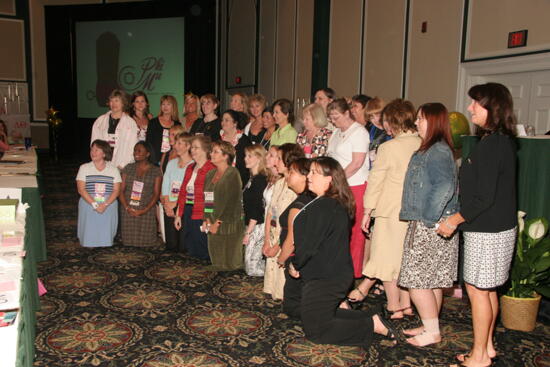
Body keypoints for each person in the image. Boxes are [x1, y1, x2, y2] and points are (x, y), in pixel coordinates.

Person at [438, 83, 517, 367]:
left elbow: (484, 197)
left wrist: (453, 221)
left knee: (477, 291)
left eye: (476, 103)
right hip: (495, 228)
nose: (469, 107)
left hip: (487, 230)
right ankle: (488, 347)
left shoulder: (494, 144)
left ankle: (480, 355)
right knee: (487, 290)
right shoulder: (497, 140)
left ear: (492, 108)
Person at [288, 156, 399, 349]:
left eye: (314, 172)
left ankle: (370, 324)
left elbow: (310, 244)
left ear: (329, 179)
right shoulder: (331, 203)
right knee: (312, 315)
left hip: (327, 277)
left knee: (316, 331)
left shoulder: (325, 206)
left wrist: (295, 263)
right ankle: (369, 315)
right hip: (327, 274)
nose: (309, 176)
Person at [349, 99, 421, 318]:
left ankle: (394, 306)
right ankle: (406, 305)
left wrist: (367, 211)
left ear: (392, 121)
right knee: (403, 260)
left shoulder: (389, 147)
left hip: (390, 210)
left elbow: (376, 181)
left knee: (385, 260)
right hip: (414, 211)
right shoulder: (422, 143)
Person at [397, 103, 459, 346]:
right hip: (432, 222)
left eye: (420, 119)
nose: (416, 123)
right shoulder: (433, 149)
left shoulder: (437, 151)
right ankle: (429, 325)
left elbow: (445, 186)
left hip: (429, 224)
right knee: (430, 280)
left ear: (433, 122)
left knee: (416, 280)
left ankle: (432, 332)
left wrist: (429, 219)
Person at [326, 98, 370, 278]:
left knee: (354, 231)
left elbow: (357, 162)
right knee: (338, 229)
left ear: (347, 113)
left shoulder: (359, 132)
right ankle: (338, 266)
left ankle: (354, 272)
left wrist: (338, 179)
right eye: (331, 117)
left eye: (336, 116)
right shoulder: (336, 132)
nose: (333, 121)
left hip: (355, 186)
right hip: (337, 186)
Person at [263, 143, 304, 300]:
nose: (275, 163)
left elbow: (292, 226)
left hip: (285, 239)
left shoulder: (295, 188)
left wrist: (278, 246)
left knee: (284, 290)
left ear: (289, 161)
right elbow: (270, 213)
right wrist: (266, 240)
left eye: (279, 159)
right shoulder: (279, 183)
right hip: (273, 235)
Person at [277, 158, 315, 318]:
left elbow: (292, 240)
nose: (287, 175)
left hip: (297, 260)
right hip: (301, 260)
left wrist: (282, 257)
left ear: (304, 176)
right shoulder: (305, 198)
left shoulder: (302, 203)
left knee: (294, 306)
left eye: (292, 172)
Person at [203, 141, 245, 271]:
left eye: (216, 152)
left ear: (226, 156)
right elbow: (207, 199)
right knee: (217, 263)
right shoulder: (210, 174)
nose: (211, 154)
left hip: (228, 222)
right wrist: (207, 219)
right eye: (211, 151)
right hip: (213, 220)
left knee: (231, 265)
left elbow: (232, 202)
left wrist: (218, 223)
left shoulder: (233, 174)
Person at [174, 135, 216, 259]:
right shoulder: (190, 167)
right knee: (191, 244)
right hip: (188, 209)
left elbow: (211, 196)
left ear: (205, 150)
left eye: (196, 148)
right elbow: (182, 192)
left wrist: (208, 217)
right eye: (192, 147)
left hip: (202, 211)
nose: (192, 150)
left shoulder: (211, 168)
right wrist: (178, 214)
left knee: (203, 245)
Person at [76, 140, 121, 247]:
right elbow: (81, 189)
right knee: (89, 225)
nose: (93, 152)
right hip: (89, 201)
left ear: (104, 153)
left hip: (108, 202)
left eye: (96, 150)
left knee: (109, 212)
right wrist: (95, 204)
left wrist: (105, 204)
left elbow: (116, 190)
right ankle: (88, 242)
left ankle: (105, 241)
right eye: (92, 149)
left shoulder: (113, 169)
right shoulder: (84, 168)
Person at [118, 142, 162, 247]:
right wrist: (127, 207)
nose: (135, 153)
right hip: (128, 207)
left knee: (147, 242)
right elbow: (121, 190)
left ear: (147, 154)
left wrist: (144, 210)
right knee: (128, 243)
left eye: (139, 151)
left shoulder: (155, 171)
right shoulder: (128, 168)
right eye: (134, 150)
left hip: (146, 208)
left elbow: (156, 194)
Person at [161, 132, 194, 252]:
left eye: (180, 143)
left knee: (183, 244)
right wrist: (166, 203)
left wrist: (176, 204)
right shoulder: (171, 163)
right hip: (169, 203)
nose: (176, 146)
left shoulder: (193, 165)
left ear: (188, 146)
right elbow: (165, 184)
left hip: (183, 204)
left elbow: (189, 188)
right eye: (176, 143)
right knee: (171, 243)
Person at [91, 89, 138, 169]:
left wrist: (123, 165)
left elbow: (132, 147)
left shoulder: (130, 123)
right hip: (102, 164)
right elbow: (94, 144)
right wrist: (98, 161)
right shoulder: (100, 121)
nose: (113, 104)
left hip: (122, 165)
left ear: (123, 103)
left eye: (117, 100)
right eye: (111, 101)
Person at [242, 144, 269, 276]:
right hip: (251, 223)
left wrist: (249, 231)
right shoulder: (252, 178)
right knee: (250, 266)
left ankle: (272, 274)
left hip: (258, 225)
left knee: (252, 268)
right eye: (245, 156)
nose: (245, 159)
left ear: (259, 158)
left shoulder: (260, 180)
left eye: (249, 156)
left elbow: (258, 207)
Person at [146, 95, 181, 165]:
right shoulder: (153, 122)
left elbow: (179, 144)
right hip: (154, 161)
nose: (165, 107)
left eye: (168, 104)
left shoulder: (178, 124)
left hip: (171, 161)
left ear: (173, 106)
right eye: (163, 104)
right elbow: (148, 142)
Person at [220, 109, 253, 185]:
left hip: (238, 180)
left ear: (235, 123)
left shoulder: (243, 141)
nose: (223, 123)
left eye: (226, 120)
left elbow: (245, 166)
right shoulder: (217, 138)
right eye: (222, 120)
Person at [365, 97, 391, 165]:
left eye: (378, 114)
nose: (376, 120)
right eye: (372, 117)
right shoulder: (372, 129)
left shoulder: (393, 130)